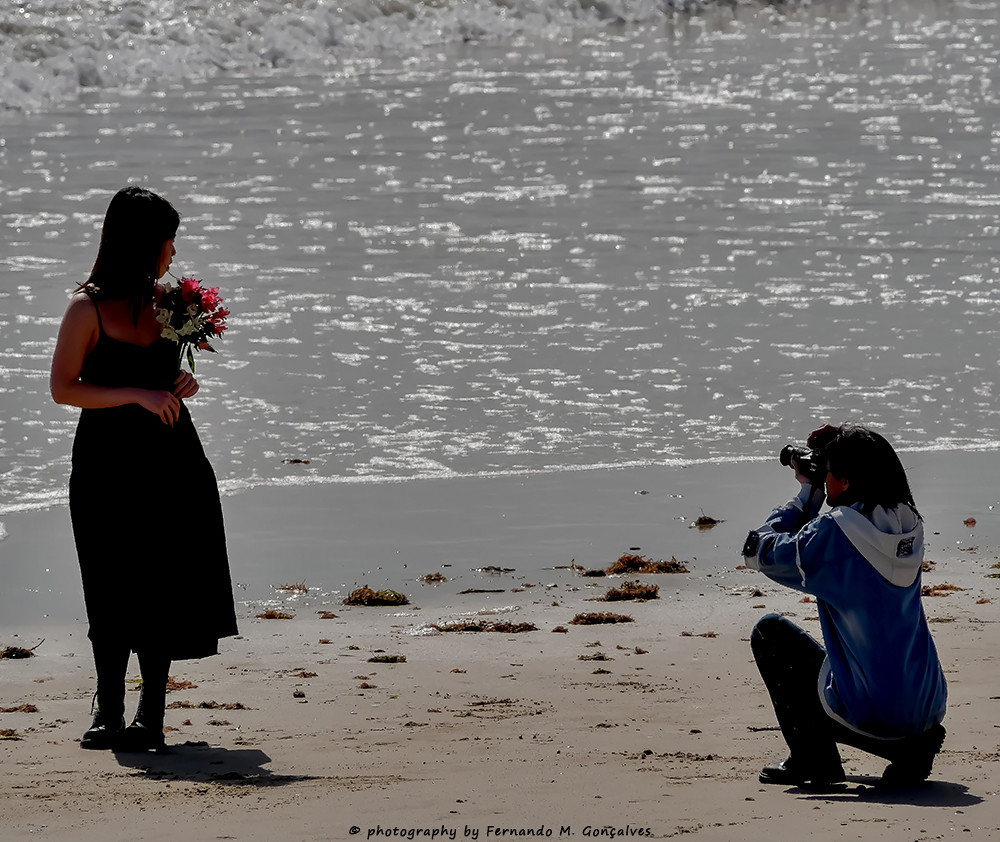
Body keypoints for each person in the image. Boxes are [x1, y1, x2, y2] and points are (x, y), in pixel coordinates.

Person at [50, 185, 239, 752]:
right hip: (105, 466)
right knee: (107, 582)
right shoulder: (86, 308)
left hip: (170, 460)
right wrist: (136, 392)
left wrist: (182, 383)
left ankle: (149, 716)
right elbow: (63, 388)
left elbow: (169, 379)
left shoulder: (174, 307)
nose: (175, 253)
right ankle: (107, 711)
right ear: (141, 244)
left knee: (160, 580)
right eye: (167, 241)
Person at [741, 423, 947, 788]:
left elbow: (758, 551)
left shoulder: (834, 537)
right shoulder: (907, 521)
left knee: (770, 634)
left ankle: (814, 759)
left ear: (847, 481)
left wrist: (807, 494)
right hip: (927, 703)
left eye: (831, 471)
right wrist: (841, 443)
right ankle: (915, 744)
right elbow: (872, 461)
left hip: (879, 711)